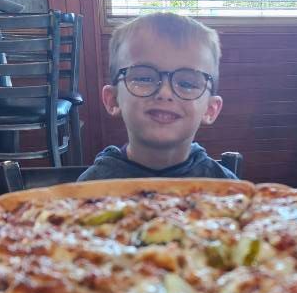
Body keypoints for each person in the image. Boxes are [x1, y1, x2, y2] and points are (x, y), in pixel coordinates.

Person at [78, 11, 236, 181]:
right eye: (144, 78)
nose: (165, 93)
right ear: (112, 99)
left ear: (210, 109)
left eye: (187, 84)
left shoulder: (228, 190)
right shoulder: (90, 188)